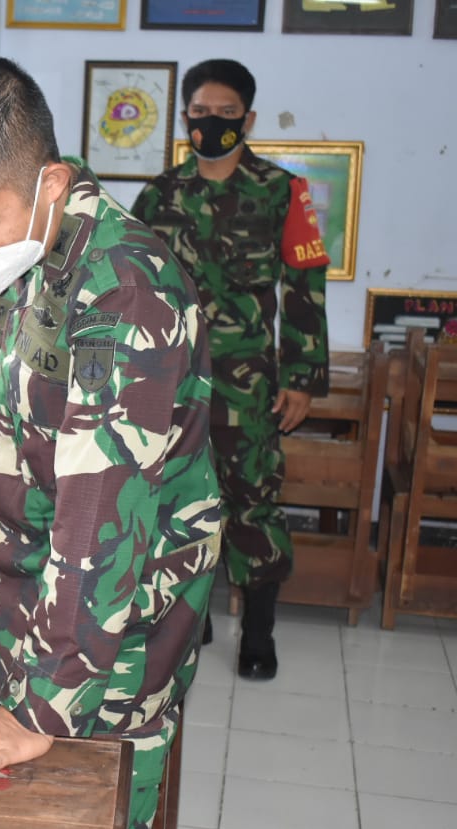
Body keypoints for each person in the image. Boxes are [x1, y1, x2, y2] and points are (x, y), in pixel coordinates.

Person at [0, 55, 221, 829]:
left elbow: (99, 522)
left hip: (107, 645)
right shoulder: (25, 252)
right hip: (34, 612)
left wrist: (39, 708)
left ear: (49, 182)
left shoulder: (125, 295)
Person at [132, 59, 329, 681]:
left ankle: (259, 634)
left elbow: (305, 287)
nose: (210, 123)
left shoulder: (282, 191)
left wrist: (302, 379)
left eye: (224, 114)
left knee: (253, 504)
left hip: (249, 383)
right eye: (199, 112)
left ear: (247, 118)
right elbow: (136, 288)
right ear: (185, 115)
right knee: (176, 503)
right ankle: (191, 619)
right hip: (171, 380)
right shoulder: (158, 195)